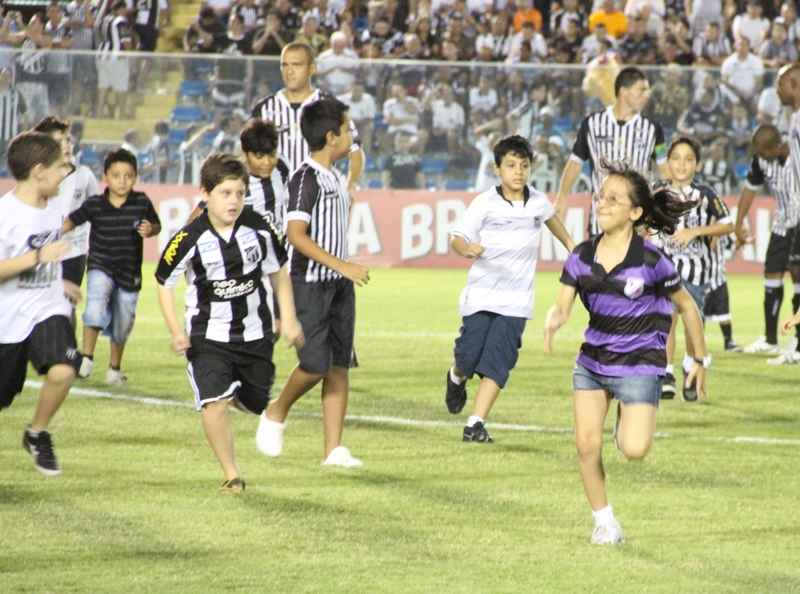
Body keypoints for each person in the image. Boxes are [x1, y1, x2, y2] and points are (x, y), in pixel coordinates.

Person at [544, 159, 707, 545]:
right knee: (585, 444)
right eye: (601, 197)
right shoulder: (580, 256)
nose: (603, 204)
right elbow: (564, 304)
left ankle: (625, 423)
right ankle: (605, 523)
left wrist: (698, 359)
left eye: (614, 199)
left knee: (634, 450)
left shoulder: (652, 261)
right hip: (592, 363)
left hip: (639, 365)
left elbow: (687, 307)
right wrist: (556, 315)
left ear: (635, 212)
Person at [155, 153, 304, 493]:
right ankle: (232, 474)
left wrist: (290, 318)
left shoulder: (260, 226)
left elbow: (278, 272)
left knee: (255, 401)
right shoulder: (188, 237)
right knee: (212, 401)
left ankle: (237, 394)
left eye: (239, 193)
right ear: (205, 193)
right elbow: (164, 282)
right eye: (225, 193)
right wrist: (176, 331)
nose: (234, 201)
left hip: (255, 333)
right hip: (207, 336)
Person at [255, 97, 369, 467]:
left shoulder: (334, 176)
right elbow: (296, 235)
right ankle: (276, 411)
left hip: (338, 287)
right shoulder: (305, 178)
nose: (352, 135)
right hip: (310, 284)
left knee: (338, 365)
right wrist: (344, 265)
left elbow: (357, 158)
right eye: (348, 129)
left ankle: (333, 450)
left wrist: (343, 273)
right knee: (316, 363)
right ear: (332, 136)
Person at [445, 135, 574, 443]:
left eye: (524, 165)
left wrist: (571, 246)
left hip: (517, 301)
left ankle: (475, 424)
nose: (519, 171)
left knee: (498, 361)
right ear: (497, 169)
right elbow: (457, 236)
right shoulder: (485, 202)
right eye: (511, 165)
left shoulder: (538, 202)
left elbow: (551, 219)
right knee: (468, 356)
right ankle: (456, 376)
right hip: (481, 295)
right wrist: (466, 250)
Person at [0, 131, 81, 476]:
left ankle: (37, 432)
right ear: (38, 171)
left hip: (47, 308)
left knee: (65, 368)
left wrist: (61, 278)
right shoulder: (6, 215)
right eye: (59, 167)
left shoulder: (56, 206)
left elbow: (55, 254)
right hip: (9, 317)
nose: (65, 172)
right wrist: (37, 257)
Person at [62, 149, 161, 386]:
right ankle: (86, 358)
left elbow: (156, 225)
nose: (122, 181)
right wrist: (49, 235)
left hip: (129, 272)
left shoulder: (142, 202)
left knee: (123, 322)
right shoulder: (95, 203)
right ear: (105, 177)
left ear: (135, 177)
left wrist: (152, 229)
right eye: (116, 175)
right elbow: (71, 221)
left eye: (128, 176)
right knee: (94, 305)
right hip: (100, 265)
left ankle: (114, 369)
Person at [659, 137, 733, 400]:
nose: (681, 164)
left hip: (697, 272)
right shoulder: (658, 192)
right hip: (664, 269)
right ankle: (666, 373)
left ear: (698, 165)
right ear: (668, 162)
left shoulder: (706, 194)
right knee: (667, 317)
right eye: (676, 158)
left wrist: (696, 231)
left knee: (693, 326)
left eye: (688, 159)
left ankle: (691, 365)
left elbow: (727, 223)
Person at [555, 66, 669, 236]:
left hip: (636, 222)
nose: (647, 95)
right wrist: (561, 197)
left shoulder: (653, 128)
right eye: (641, 90)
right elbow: (576, 162)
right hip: (601, 219)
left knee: (633, 261)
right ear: (624, 91)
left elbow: (665, 171)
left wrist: (656, 212)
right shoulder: (592, 123)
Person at [251, 42, 363, 195]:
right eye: (285, 65)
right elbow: (248, 152)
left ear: (312, 68)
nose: (289, 71)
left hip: (318, 198)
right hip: (275, 200)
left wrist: (351, 185)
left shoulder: (328, 106)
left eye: (296, 65)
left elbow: (355, 149)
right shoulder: (264, 108)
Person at [736, 124, 800, 362]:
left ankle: (798, 341)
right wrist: (738, 223)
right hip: (782, 223)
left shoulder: (796, 154)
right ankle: (770, 339)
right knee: (771, 274)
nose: (760, 157)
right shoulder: (760, 161)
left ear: (775, 146)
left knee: (797, 274)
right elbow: (749, 190)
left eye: (763, 152)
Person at [32, 117, 99, 329]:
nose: (66, 146)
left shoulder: (85, 176)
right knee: (40, 303)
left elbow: (95, 210)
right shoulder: (36, 178)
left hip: (73, 251)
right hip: (42, 250)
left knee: (67, 305)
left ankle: (67, 351)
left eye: (68, 140)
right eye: (59, 142)